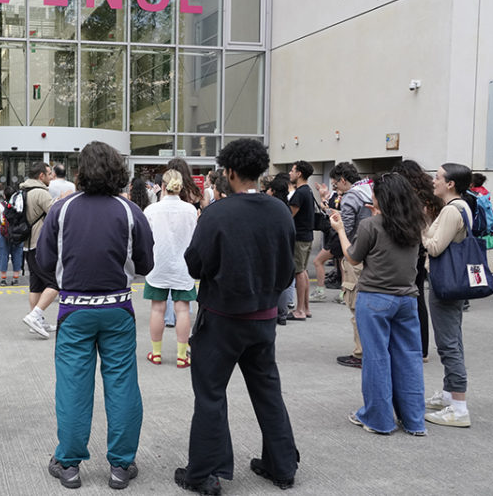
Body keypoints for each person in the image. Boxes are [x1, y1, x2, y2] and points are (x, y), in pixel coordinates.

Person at [175, 139, 299, 495]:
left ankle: (206, 473)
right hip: (264, 317)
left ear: (228, 172)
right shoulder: (279, 211)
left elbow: (195, 264)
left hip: (222, 317)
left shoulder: (217, 213)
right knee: (268, 390)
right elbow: (288, 268)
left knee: (211, 393)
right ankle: (282, 465)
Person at [36, 141, 154, 490]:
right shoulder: (130, 210)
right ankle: (121, 465)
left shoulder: (63, 209)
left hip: (74, 310)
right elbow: (146, 264)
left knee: (73, 385)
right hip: (118, 308)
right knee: (122, 384)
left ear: (80, 171)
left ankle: (69, 464)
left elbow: (43, 263)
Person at [330, 173, 426, 435]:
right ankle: (414, 421)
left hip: (375, 298)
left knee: (376, 359)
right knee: (409, 359)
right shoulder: (415, 224)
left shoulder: (371, 225)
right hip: (407, 299)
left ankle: (379, 419)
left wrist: (340, 230)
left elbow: (352, 257)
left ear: (380, 198)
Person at [421, 163, 474, 428]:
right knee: (453, 340)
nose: (434, 180)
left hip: (446, 283)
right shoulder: (459, 207)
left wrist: (420, 227)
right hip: (451, 283)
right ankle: (448, 395)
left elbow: (434, 247)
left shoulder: (453, 210)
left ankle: (459, 407)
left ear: (450, 183)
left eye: (439, 177)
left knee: (448, 343)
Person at [143, 169, 198, 368]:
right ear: (181, 186)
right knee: (182, 310)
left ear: (163, 187)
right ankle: (182, 356)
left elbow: (146, 238)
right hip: (183, 266)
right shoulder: (191, 210)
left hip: (158, 265)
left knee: (158, 309)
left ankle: (156, 353)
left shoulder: (151, 210)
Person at [394, 160, 443, 361]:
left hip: (415, 248)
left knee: (413, 297)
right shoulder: (430, 195)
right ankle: (421, 348)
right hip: (423, 250)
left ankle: (418, 348)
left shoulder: (414, 198)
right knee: (418, 296)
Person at [330, 162, 373, 369]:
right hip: (374, 256)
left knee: (356, 304)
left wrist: (334, 222)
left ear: (343, 180)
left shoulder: (350, 197)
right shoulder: (370, 191)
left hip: (355, 255)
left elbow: (345, 229)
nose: (335, 189)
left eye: (336, 185)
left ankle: (360, 352)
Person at [20, 162, 58, 339]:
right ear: (41, 176)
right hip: (39, 244)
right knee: (55, 283)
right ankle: (34, 316)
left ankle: (36, 320)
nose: (52, 176)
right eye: (49, 173)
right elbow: (55, 216)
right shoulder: (41, 193)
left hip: (27, 244)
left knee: (36, 285)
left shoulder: (23, 190)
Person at [266, 174, 295, 326]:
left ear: (273, 190)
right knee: (284, 280)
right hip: (286, 245)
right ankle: (282, 314)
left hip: (273, 246)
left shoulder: (272, 206)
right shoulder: (286, 208)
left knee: (275, 281)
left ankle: (275, 312)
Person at [288, 160, 315, 320]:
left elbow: (289, 215)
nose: (290, 173)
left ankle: (299, 310)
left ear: (299, 174)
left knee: (299, 271)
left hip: (299, 237)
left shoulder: (300, 193)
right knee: (303, 271)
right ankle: (305, 307)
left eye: (292, 170)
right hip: (307, 236)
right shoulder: (308, 191)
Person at [0, 187, 22, 286]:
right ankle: (15, 279)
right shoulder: (20, 204)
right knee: (17, 253)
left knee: (3, 254)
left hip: (4, 233)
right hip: (17, 233)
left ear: (4, 196)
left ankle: (3, 279)